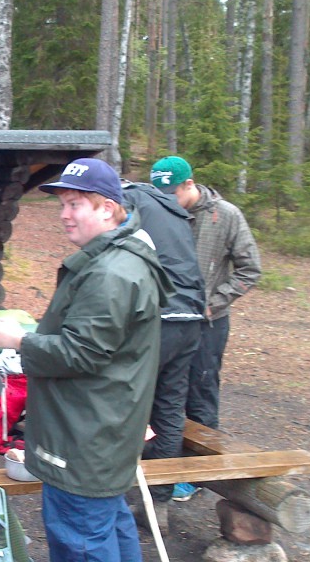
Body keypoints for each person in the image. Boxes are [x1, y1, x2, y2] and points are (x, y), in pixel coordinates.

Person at [0, 158, 173, 562]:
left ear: (107, 208)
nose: (64, 215)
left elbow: (80, 353)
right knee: (109, 525)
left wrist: (20, 341)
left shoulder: (111, 274)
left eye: (75, 204)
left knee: (82, 542)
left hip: (85, 436)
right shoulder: (117, 260)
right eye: (62, 205)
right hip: (102, 429)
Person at [151, 155, 261, 501]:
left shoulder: (225, 215)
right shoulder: (159, 212)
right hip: (166, 322)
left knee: (200, 394)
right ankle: (160, 466)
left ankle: (195, 475)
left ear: (189, 184)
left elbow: (250, 269)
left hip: (208, 323)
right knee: (163, 393)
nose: (168, 200)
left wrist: (213, 303)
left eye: (172, 193)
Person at [121, 179, 206, 532]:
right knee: (170, 408)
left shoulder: (127, 200)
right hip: (191, 318)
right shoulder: (172, 209)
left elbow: (117, 253)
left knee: (124, 400)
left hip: (160, 316)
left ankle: (113, 494)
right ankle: (158, 504)